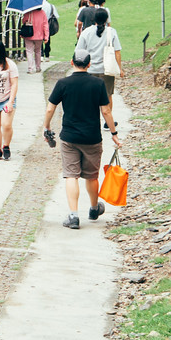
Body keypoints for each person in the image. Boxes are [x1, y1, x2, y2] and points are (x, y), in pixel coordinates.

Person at [43, 49, 121, 228]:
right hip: (92, 137)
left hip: (69, 137)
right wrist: (114, 133)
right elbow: (106, 110)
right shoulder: (98, 84)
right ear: (89, 64)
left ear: (71, 63)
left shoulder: (63, 83)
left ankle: (73, 216)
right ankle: (94, 209)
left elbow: (50, 109)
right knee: (92, 176)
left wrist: (46, 126)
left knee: (71, 176)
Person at [76, 7, 123, 125]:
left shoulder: (86, 32)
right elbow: (117, 52)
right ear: (106, 19)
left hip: (89, 69)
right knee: (108, 96)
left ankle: (91, 120)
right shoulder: (111, 32)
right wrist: (120, 68)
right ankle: (108, 121)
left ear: (94, 19)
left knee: (90, 97)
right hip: (106, 70)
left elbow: (79, 51)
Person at [21, 0, 52, 73]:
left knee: (29, 51)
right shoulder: (42, 13)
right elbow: (45, 25)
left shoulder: (28, 13)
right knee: (38, 51)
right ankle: (38, 67)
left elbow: (23, 21)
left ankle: (30, 69)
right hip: (39, 36)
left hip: (28, 35)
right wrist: (46, 36)